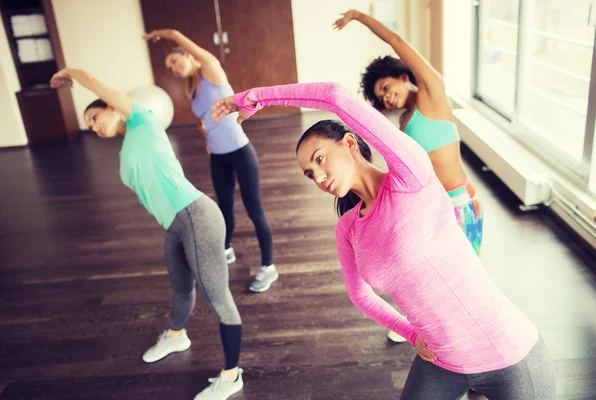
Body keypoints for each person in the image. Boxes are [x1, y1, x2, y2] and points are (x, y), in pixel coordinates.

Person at [210, 82, 556, 399]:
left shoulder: (410, 177)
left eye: (319, 159)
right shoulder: (348, 228)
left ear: (348, 143)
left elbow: (334, 96)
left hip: (507, 352)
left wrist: (253, 98)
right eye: (309, 173)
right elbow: (359, 295)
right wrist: (409, 332)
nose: (317, 175)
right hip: (440, 358)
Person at [50, 67, 244, 400]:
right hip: (174, 224)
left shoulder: (143, 120)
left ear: (113, 107)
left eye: (95, 117)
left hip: (196, 216)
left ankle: (231, 376)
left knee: (219, 299)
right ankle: (176, 335)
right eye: (90, 125)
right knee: (182, 287)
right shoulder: (126, 149)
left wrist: (72, 73)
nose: (93, 126)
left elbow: (99, 82)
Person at [335, 9, 484, 343]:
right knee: (430, 276)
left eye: (387, 87)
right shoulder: (403, 122)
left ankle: (477, 358)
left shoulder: (433, 92)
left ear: (404, 76)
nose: (386, 96)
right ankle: (425, 329)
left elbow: (395, 40)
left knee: (464, 286)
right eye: (381, 95)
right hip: (434, 210)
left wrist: (359, 16)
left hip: (460, 203)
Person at [143, 29, 278, 293]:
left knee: (255, 210)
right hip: (218, 156)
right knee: (224, 206)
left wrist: (166, 34)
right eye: (169, 67)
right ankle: (226, 249)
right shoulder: (192, 87)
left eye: (174, 61)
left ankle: (269, 267)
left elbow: (180, 38)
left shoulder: (212, 71)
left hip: (240, 152)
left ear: (187, 55)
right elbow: (206, 118)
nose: (173, 68)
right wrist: (206, 137)